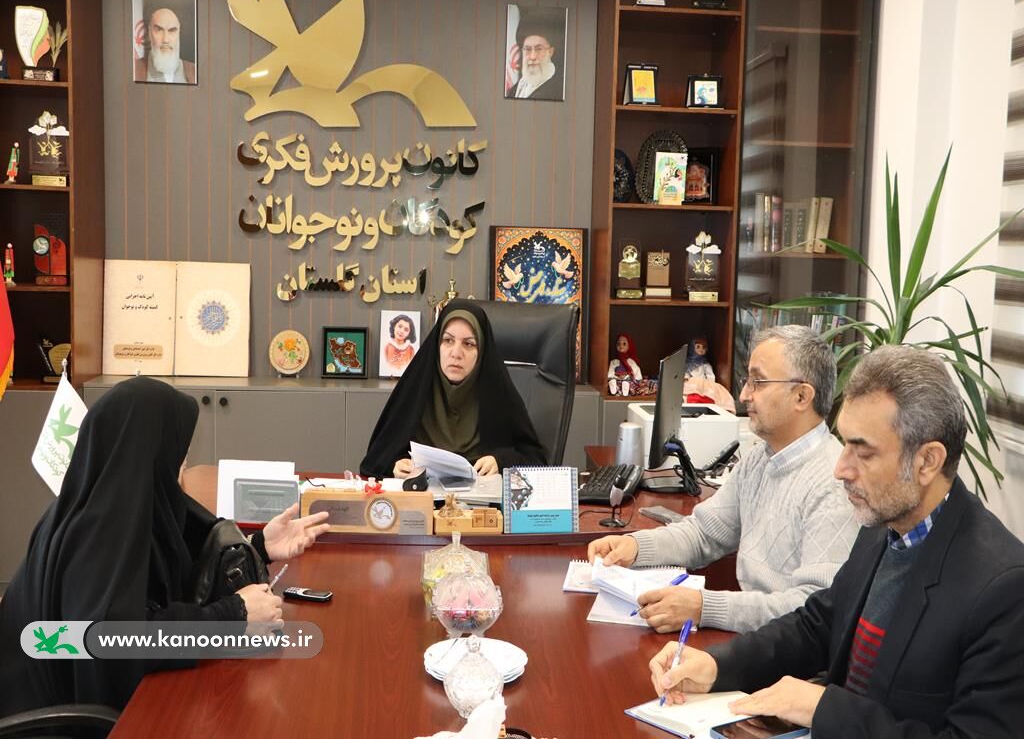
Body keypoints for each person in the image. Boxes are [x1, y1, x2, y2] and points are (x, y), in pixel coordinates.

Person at [649, 346, 1024, 737]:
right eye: (844, 444)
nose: (841, 469)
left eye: (864, 452)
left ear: (927, 461)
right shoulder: (883, 522)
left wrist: (824, 709)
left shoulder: (1004, 589)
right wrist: (717, 665)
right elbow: (818, 625)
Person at [0, 377, 330, 716]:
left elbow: (175, 573)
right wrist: (229, 617)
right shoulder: (96, 538)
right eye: (179, 456)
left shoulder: (117, 504)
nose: (182, 466)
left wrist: (257, 547)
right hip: (60, 723)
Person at [589, 326, 858, 633]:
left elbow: (814, 608)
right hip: (756, 639)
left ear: (801, 396)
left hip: (787, 653)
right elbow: (705, 533)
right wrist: (635, 546)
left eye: (758, 382)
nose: (744, 395)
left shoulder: (833, 483)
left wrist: (704, 607)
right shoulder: (761, 458)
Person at [360, 300, 546, 479]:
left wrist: (501, 462)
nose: (456, 353)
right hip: (423, 496)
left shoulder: (500, 397)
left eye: (468, 344)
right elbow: (374, 462)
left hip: (482, 498)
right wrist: (396, 465)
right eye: (448, 341)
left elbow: (537, 461)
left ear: (481, 352)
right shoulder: (414, 392)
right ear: (437, 346)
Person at [505, 12, 564, 101]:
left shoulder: (559, 90)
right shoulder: (514, 90)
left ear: (550, 52)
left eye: (539, 49)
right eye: (528, 49)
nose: (533, 57)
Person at [134, 6, 196, 84]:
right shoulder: (134, 69)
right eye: (159, 30)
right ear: (149, 33)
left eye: (172, 30)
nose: (165, 40)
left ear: (179, 33)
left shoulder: (195, 72)